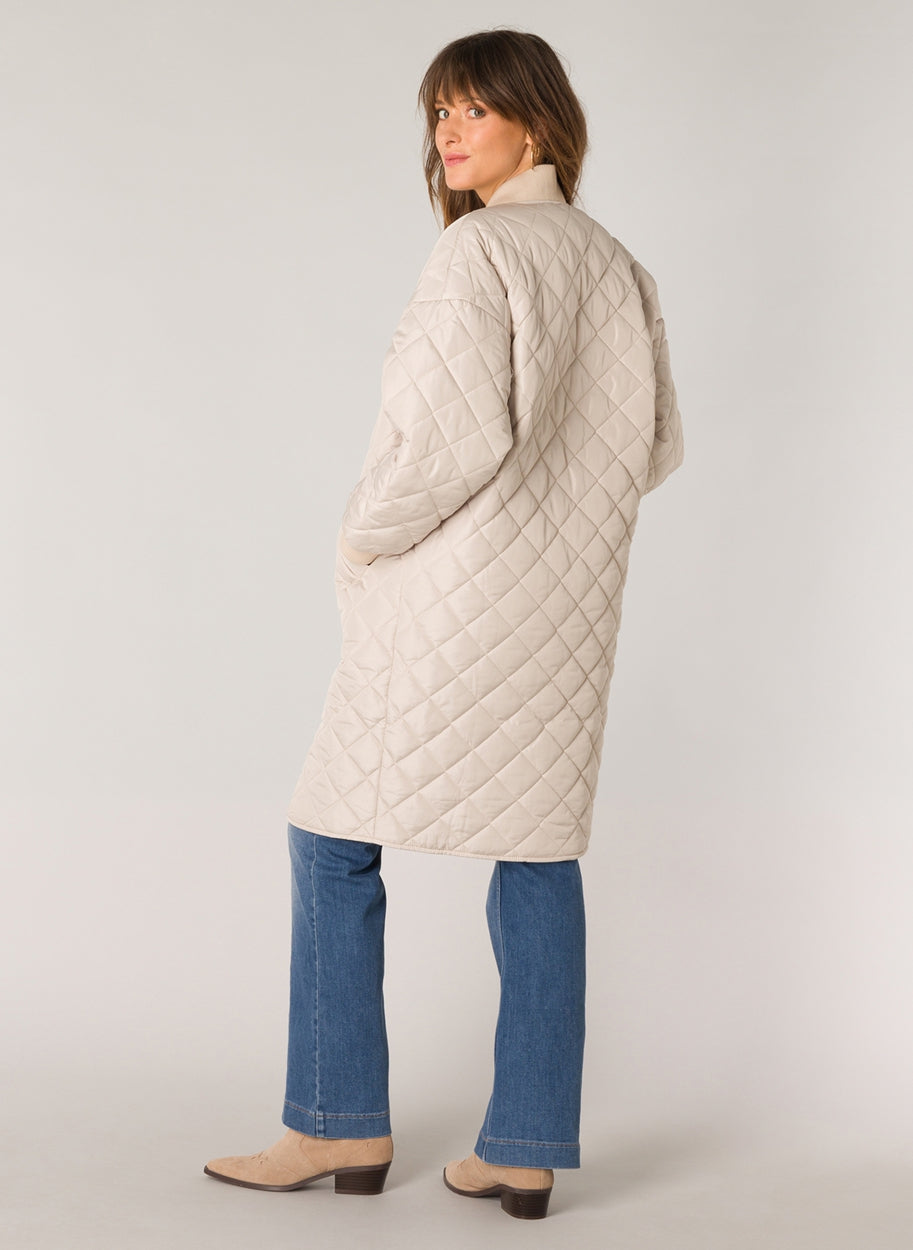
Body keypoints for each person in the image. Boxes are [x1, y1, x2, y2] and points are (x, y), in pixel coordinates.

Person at [204, 28, 683, 1221]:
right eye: (440, 112)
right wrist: (563, 515)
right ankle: (522, 1146)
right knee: (536, 846)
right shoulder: (616, 263)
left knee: (328, 835)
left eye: (474, 109)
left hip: (450, 603)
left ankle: (334, 1120)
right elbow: (656, 446)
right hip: (565, 613)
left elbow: (447, 442)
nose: (450, 133)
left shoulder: (478, 251)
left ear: (536, 121)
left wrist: (363, 534)